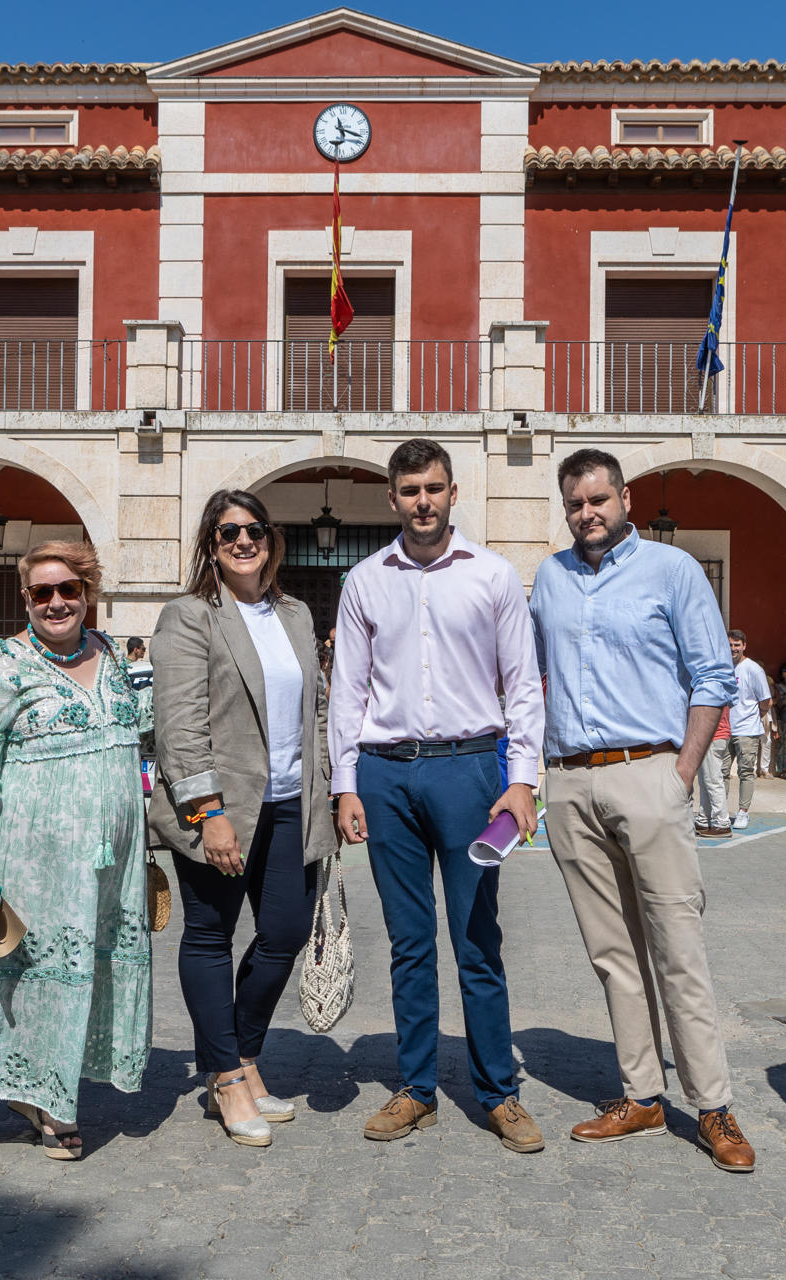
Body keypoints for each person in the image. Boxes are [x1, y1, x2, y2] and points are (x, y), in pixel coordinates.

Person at [530, 449, 756, 1173]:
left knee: (677, 947)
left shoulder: (674, 571)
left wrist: (682, 772)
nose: (587, 515)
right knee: (611, 954)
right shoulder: (550, 579)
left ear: (624, 497)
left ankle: (715, 1105)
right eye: (575, 505)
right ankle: (642, 1095)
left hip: (648, 772)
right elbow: (530, 674)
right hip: (570, 781)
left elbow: (712, 675)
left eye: (598, 500)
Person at [329, 438, 547, 1154]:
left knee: (477, 939)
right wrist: (345, 783)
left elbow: (522, 687)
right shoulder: (364, 580)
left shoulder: (493, 577)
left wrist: (522, 780)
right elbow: (348, 692)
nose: (422, 501)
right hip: (387, 774)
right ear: (392, 499)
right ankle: (417, 1088)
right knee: (409, 941)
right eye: (410, 490)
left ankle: (498, 1093)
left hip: (470, 772)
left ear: (454, 493)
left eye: (434, 488)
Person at [0, 541, 152, 1160]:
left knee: (90, 965)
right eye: (42, 593)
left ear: (87, 593)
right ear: (26, 600)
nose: (56, 602)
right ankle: (55, 1105)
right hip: (33, 850)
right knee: (38, 972)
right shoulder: (3, 665)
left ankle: (36, 1088)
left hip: (112, 851)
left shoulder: (116, 654)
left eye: (68, 590)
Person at [149, 490, 337, 1148]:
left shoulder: (292, 613)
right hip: (222, 812)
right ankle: (226, 1076)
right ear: (211, 542)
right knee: (209, 937)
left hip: (290, 805)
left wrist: (331, 791)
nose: (243, 540)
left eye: (254, 529)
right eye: (228, 531)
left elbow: (315, 713)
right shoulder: (189, 617)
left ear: (270, 537)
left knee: (284, 932)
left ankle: (245, 1055)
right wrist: (208, 816)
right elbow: (178, 729)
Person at [723, 629, 774, 828]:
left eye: (737, 645)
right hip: (725, 729)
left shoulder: (753, 669)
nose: (733, 649)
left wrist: (754, 718)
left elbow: (766, 701)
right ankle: (720, 811)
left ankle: (743, 812)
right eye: (730, 645)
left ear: (744, 646)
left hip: (746, 730)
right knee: (721, 772)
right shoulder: (723, 667)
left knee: (746, 772)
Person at [694, 706, 733, 838]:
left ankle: (722, 823)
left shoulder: (712, 686)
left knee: (713, 781)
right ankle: (703, 820)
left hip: (713, 735)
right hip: (716, 735)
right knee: (705, 781)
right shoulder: (722, 687)